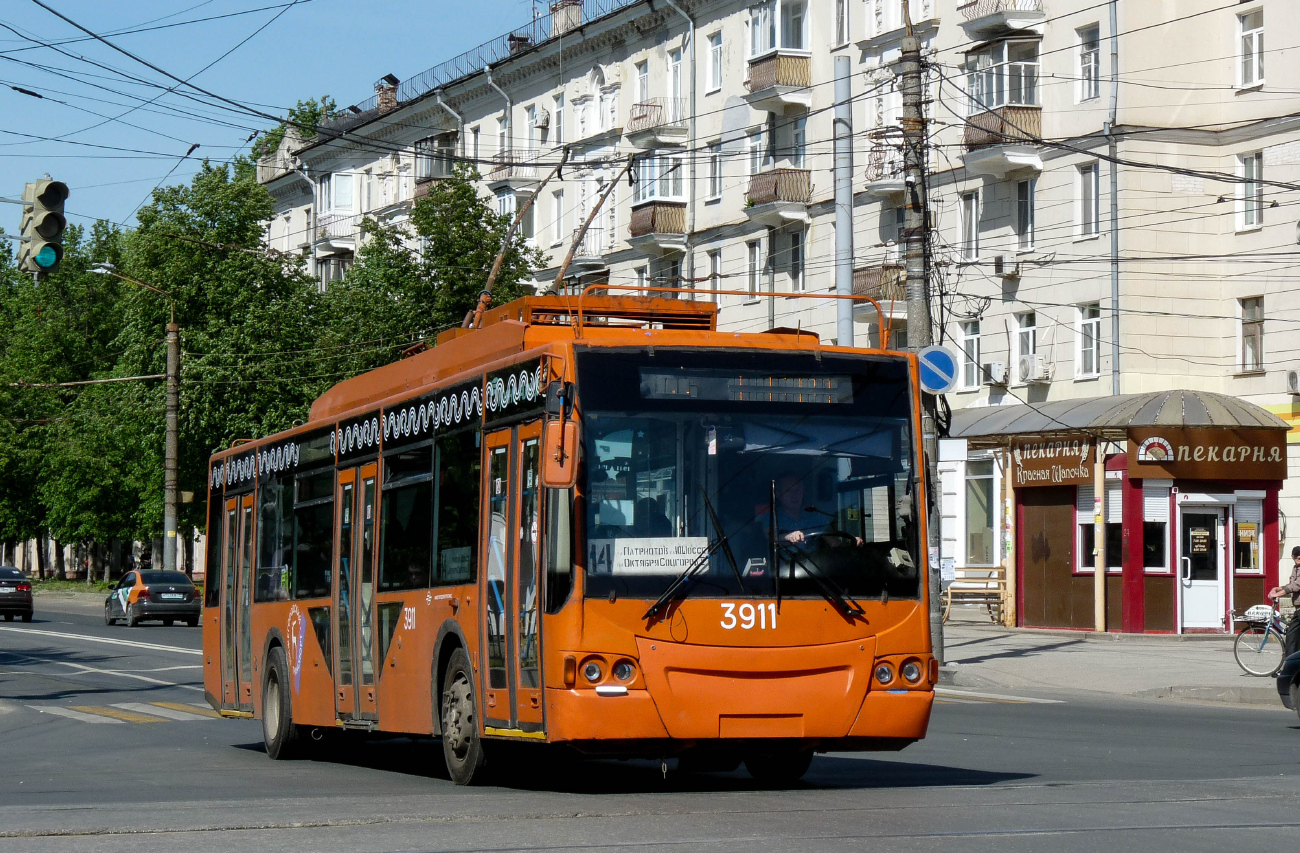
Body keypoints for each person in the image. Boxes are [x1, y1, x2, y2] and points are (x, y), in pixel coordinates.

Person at [1267, 545, 1300, 657]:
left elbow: (1295, 587)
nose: (1299, 556)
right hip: (1298, 608)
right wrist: (1278, 588)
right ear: (1292, 556)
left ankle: (1288, 668)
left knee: (1291, 636)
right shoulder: (1295, 568)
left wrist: (1277, 594)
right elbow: (1290, 585)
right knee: (1296, 638)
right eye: (1296, 555)